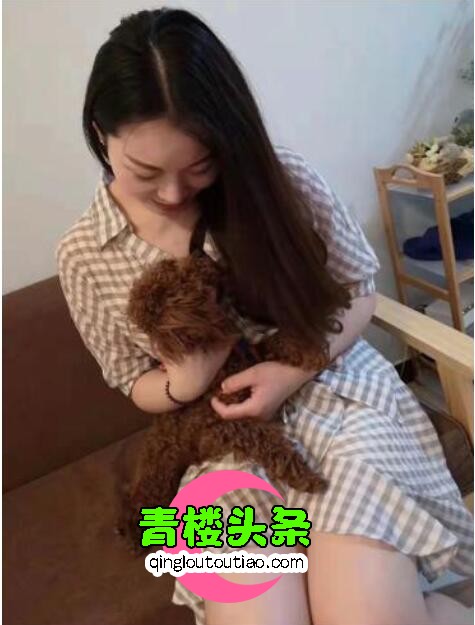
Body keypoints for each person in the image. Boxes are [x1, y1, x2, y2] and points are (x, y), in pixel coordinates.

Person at [56, 7, 473, 625]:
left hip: (342, 400)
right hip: (214, 446)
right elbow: (129, 380)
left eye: (200, 167)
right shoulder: (84, 254)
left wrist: (292, 371)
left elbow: (360, 291)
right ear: (100, 132)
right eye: (146, 172)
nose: (173, 194)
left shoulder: (282, 181)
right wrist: (185, 382)